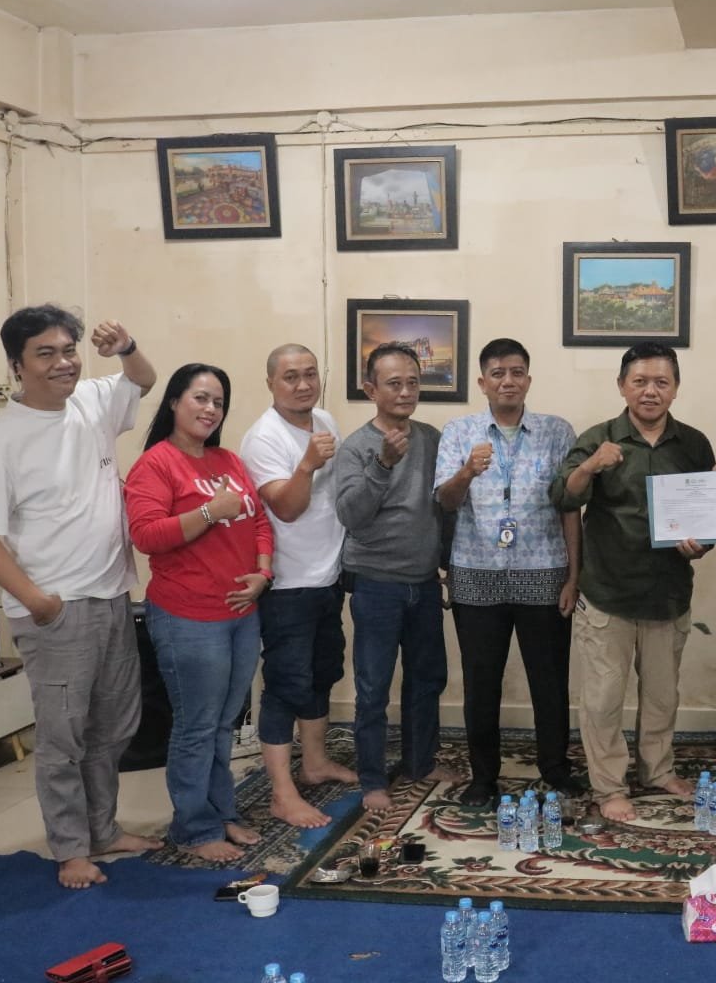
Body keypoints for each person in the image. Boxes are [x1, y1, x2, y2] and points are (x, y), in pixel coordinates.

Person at [0, 306, 161, 888]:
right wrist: (37, 600)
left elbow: (144, 379)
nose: (63, 362)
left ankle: (103, 830)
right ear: (17, 366)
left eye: (69, 350)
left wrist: (126, 346)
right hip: (55, 610)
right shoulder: (3, 439)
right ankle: (71, 848)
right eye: (45, 353)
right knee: (63, 737)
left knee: (113, 727)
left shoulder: (92, 400)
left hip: (112, 594)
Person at [552, 342, 713, 822]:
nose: (650, 391)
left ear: (676, 389)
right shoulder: (599, 439)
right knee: (603, 700)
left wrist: (701, 545)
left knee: (662, 695)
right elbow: (563, 496)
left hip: (667, 593)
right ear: (622, 386)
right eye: (640, 381)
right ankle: (609, 787)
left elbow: (707, 514)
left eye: (662, 382)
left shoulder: (693, 444)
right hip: (608, 593)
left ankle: (658, 770)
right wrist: (590, 466)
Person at [125, 363, 274, 863]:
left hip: (241, 613)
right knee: (196, 725)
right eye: (201, 398)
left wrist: (263, 572)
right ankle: (193, 826)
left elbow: (259, 522)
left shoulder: (227, 460)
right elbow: (147, 535)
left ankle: (221, 811)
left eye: (219, 402)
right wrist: (210, 511)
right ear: (174, 401)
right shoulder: (156, 465)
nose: (211, 409)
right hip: (188, 618)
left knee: (224, 722)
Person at [436, 339, 582, 807]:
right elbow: (446, 502)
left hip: (544, 571)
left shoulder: (557, 432)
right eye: (497, 373)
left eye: (517, 372)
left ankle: (555, 767)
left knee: (550, 679)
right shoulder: (458, 432)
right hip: (477, 572)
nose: (508, 381)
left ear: (528, 380)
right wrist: (466, 472)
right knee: (481, 682)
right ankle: (483, 776)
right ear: (482, 382)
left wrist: (573, 575)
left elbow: (570, 506)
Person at [334, 341, 460, 813]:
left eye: (412, 382)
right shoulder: (356, 447)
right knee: (373, 688)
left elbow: (445, 506)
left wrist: (446, 562)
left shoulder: (431, 438)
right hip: (375, 584)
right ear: (371, 390)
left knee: (427, 679)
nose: (406, 392)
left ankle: (419, 763)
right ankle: (372, 779)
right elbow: (351, 515)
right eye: (394, 384)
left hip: (424, 582)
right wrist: (383, 464)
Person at [239, 344, 358, 829]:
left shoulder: (324, 420)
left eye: (310, 374)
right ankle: (281, 793)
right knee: (286, 685)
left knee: (322, 672)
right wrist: (306, 464)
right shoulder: (262, 438)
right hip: (287, 583)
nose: (304, 384)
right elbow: (286, 508)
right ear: (270, 382)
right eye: (291, 376)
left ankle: (314, 763)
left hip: (328, 575)